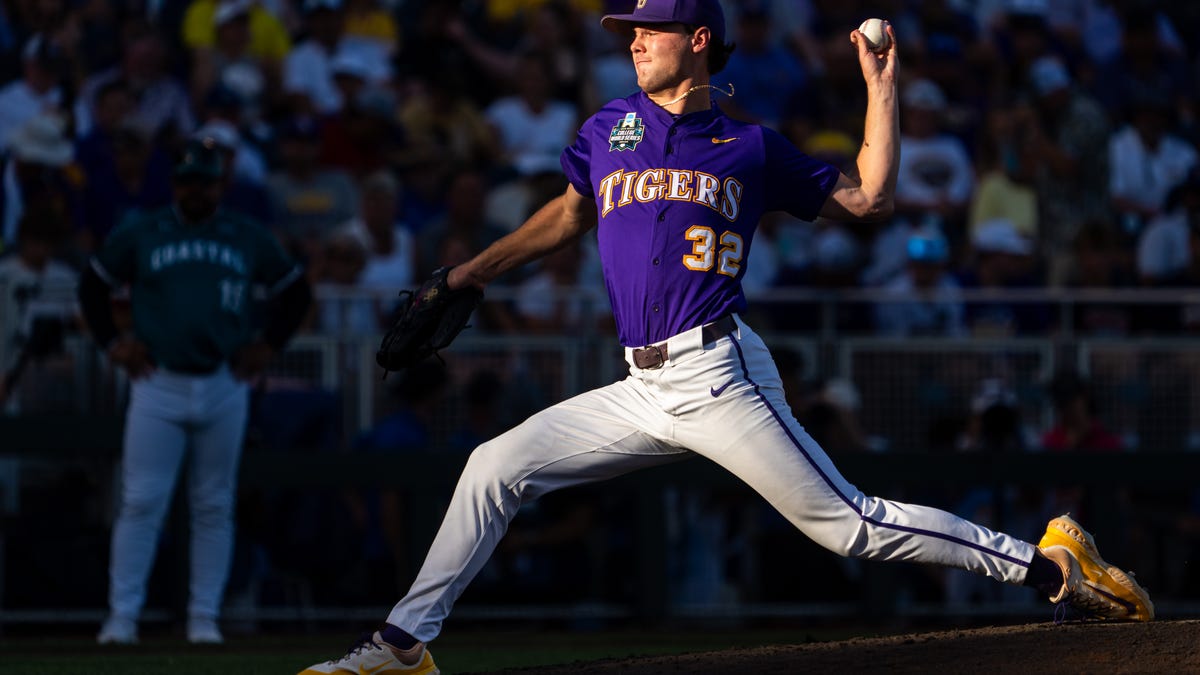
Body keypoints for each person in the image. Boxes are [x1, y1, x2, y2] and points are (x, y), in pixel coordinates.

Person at [299, 4, 1153, 673]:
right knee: (494, 465)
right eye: (628, 30)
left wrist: (880, 82)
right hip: (639, 386)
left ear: (697, 39)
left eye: (650, 29)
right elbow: (569, 213)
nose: (633, 40)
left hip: (717, 372)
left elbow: (869, 199)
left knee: (848, 524)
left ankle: (1050, 567)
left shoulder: (747, 145)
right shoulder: (610, 128)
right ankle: (404, 645)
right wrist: (469, 272)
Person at [79, 138, 312, 645]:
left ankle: (204, 618)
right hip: (157, 381)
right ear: (174, 184)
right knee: (142, 500)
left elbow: (296, 289)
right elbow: (93, 284)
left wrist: (268, 344)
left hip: (224, 381)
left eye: (204, 181)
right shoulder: (143, 230)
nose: (195, 190)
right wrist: (112, 343)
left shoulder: (246, 235)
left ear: (220, 184)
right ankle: (122, 618)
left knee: (213, 503)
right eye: (187, 181)